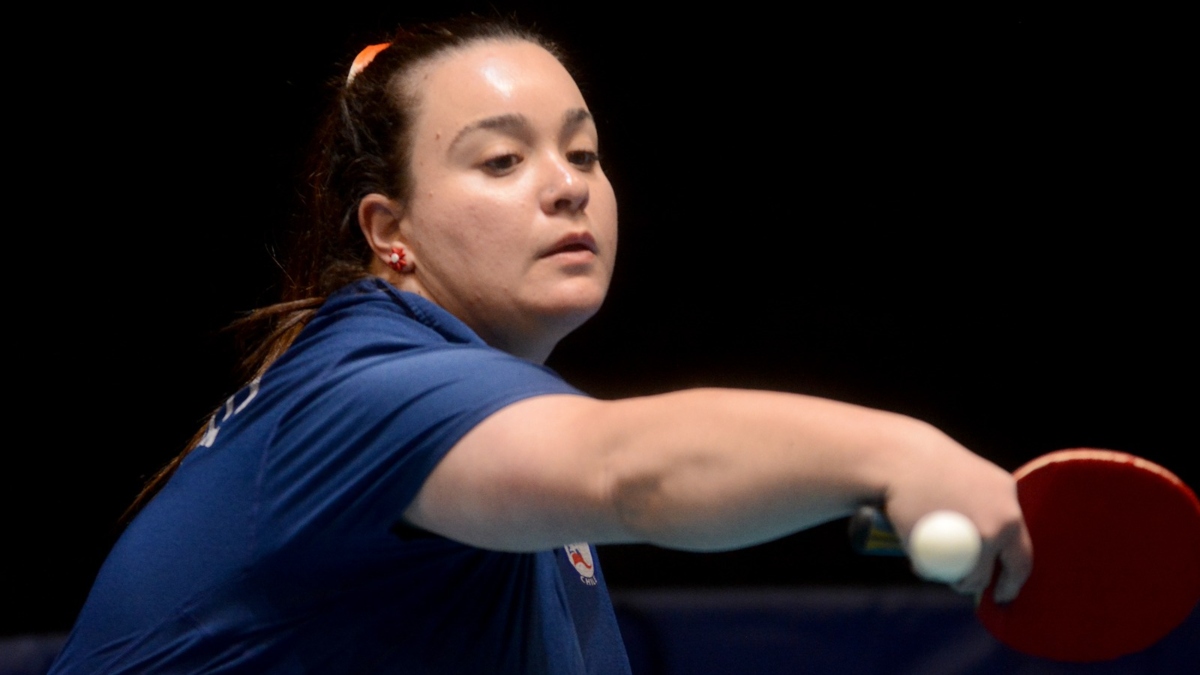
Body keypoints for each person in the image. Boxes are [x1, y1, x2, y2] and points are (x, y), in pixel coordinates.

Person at [50, 17, 1031, 674]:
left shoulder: (480, 449)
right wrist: (900, 454)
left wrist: (875, 506)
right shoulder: (370, 390)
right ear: (389, 230)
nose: (566, 185)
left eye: (583, 152)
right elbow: (635, 472)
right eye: (503, 159)